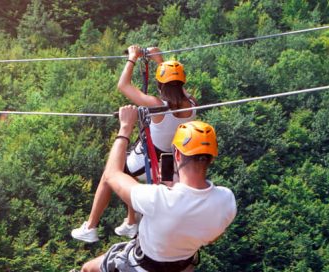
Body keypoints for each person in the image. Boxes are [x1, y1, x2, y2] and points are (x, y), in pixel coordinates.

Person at [80, 107, 236, 272]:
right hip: (182, 266)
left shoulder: (158, 199)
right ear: (211, 158)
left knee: (87, 269)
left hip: (139, 266)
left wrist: (125, 128)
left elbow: (111, 174)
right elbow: (211, 237)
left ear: (177, 155)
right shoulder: (226, 201)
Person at [72, 45, 198, 242]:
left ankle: (90, 226)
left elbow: (123, 85)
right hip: (170, 159)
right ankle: (131, 222)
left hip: (151, 157)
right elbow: (176, 85)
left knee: (110, 173)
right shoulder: (192, 103)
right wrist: (159, 60)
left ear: (160, 84)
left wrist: (132, 58)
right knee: (130, 174)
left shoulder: (157, 106)